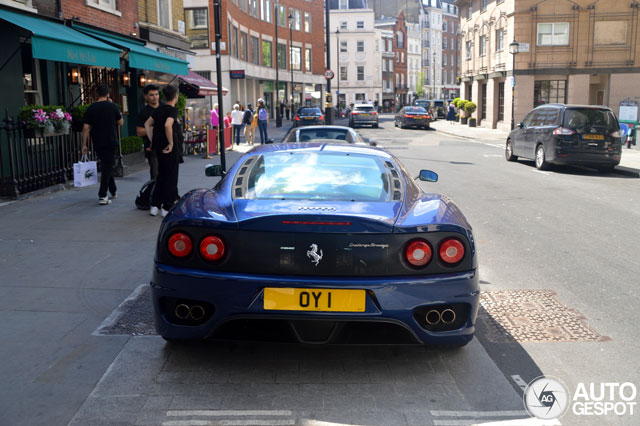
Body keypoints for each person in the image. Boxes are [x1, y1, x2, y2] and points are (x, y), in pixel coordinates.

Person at [82, 84, 123, 205]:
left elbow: (85, 128)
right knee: (107, 166)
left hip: (97, 141)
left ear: (96, 93)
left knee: (106, 165)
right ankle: (102, 195)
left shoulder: (91, 108)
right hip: (110, 140)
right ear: (108, 94)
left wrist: (84, 145)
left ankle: (113, 190)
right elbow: (121, 122)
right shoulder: (112, 106)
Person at [144, 85, 182, 217]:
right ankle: (167, 206)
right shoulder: (172, 110)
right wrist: (171, 143)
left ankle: (155, 205)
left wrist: (152, 140)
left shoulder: (159, 109)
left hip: (159, 146)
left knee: (161, 175)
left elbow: (147, 124)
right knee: (171, 177)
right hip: (169, 147)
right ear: (176, 96)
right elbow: (167, 125)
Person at [136, 84, 160, 179]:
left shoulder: (164, 107)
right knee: (155, 173)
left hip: (167, 145)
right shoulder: (143, 112)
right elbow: (139, 132)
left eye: (156, 94)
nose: (155, 97)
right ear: (146, 96)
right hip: (152, 146)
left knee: (168, 173)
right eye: (151, 95)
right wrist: (154, 129)